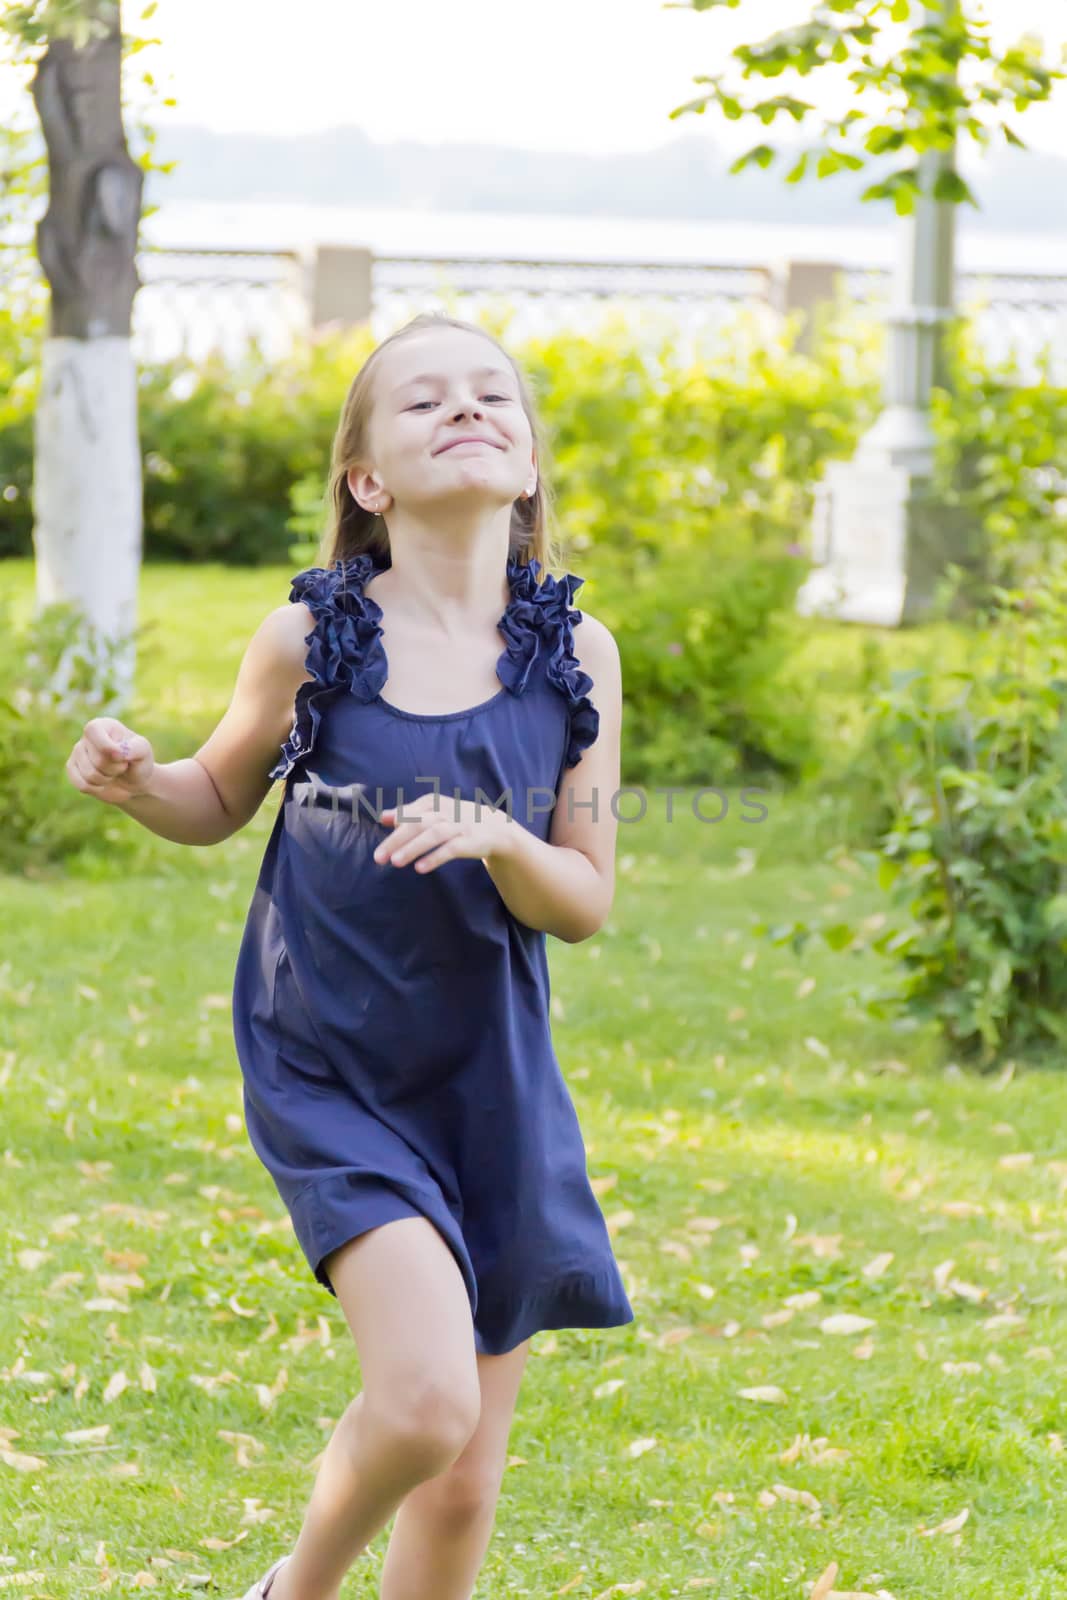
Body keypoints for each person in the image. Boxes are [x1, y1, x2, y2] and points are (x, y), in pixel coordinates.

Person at [65, 310, 634, 1600]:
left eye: (492, 394)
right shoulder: (312, 637)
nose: (467, 408)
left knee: (463, 1483)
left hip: (489, 1072)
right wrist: (136, 779)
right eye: (425, 401)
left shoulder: (575, 655)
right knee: (427, 1405)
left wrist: (497, 835)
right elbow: (213, 801)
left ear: (531, 460)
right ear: (365, 480)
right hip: (331, 1058)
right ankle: (295, 1590)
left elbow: (585, 899)